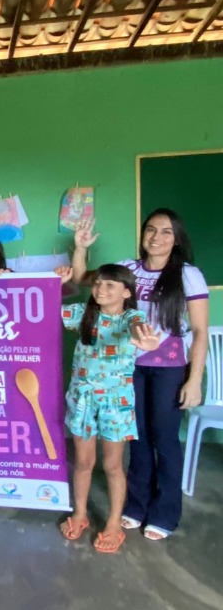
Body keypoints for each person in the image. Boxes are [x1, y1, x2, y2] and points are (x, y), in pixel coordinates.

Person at [71, 211, 209, 541]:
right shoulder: (127, 269)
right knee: (137, 438)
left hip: (168, 369)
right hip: (124, 368)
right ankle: (135, 507)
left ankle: (164, 514)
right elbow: (81, 280)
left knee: (164, 438)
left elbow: (201, 332)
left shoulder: (188, 275)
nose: (156, 237)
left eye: (165, 232)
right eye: (150, 230)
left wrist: (194, 380)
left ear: (176, 239)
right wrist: (79, 249)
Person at [55, 264, 160, 552]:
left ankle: (114, 522)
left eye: (110, 285)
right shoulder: (82, 314)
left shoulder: (132, 317)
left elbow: (138, 328)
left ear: (126, 292)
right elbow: (42, 309)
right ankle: (79, 513)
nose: (101, 289)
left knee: (113, 465)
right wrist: (57, 285)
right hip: (82, 400)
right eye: (98, 283)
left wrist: (147, 340)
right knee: (84, 462)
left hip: (117, 404)